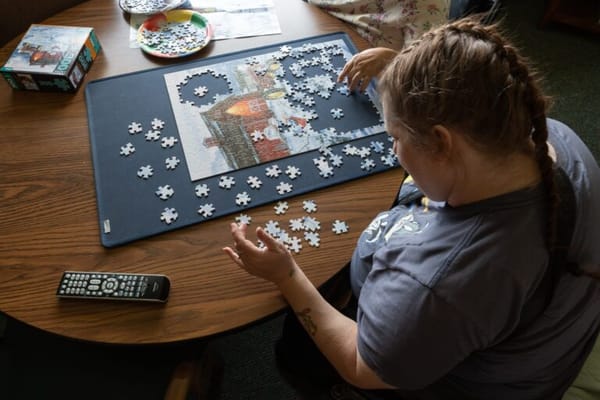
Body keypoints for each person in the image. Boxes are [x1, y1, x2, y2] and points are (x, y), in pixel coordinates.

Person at [223, 16, 600, 399]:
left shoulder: (441, 286)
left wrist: (287, 275)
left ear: (442, 142)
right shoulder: (552, 137)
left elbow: (359, 364)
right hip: (533, 341)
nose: (393, 150)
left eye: (396, 137)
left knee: (297, 355)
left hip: (449, 379)